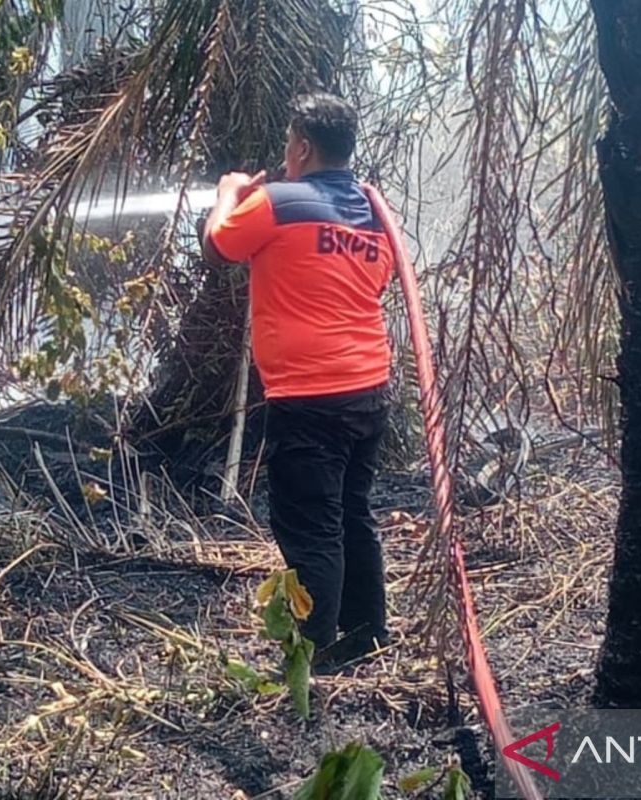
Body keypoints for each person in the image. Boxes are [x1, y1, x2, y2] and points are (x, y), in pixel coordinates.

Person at [199, 92, 394, 671]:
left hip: (309, 398)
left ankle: (316, 651)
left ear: (304, 146)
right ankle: (367, 633)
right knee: (351, 512)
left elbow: (218, 247)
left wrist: (229, 193)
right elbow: (375, 285)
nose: (285, 155)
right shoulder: (374, 214)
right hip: (368, 390)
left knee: (310, 526)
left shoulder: (273, 201)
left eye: (289, 144)